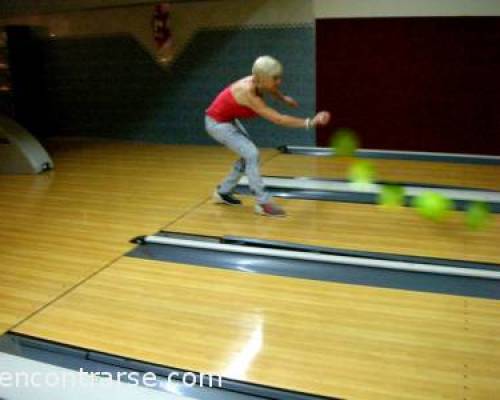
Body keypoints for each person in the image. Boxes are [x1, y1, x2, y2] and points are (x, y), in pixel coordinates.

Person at [205, 55, 330, 217]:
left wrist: (283, 98)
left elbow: (271, 88)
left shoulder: (259, 81)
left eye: (279, 77)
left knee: (247, 156)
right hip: (217, 124)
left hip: (227, 120)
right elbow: (278, 119)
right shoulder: (248, 93)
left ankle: (222, 192)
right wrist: (310, 122)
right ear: (261, 79)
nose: (279, 81)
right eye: (275, 78)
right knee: (252, 154)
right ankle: (263, 203)